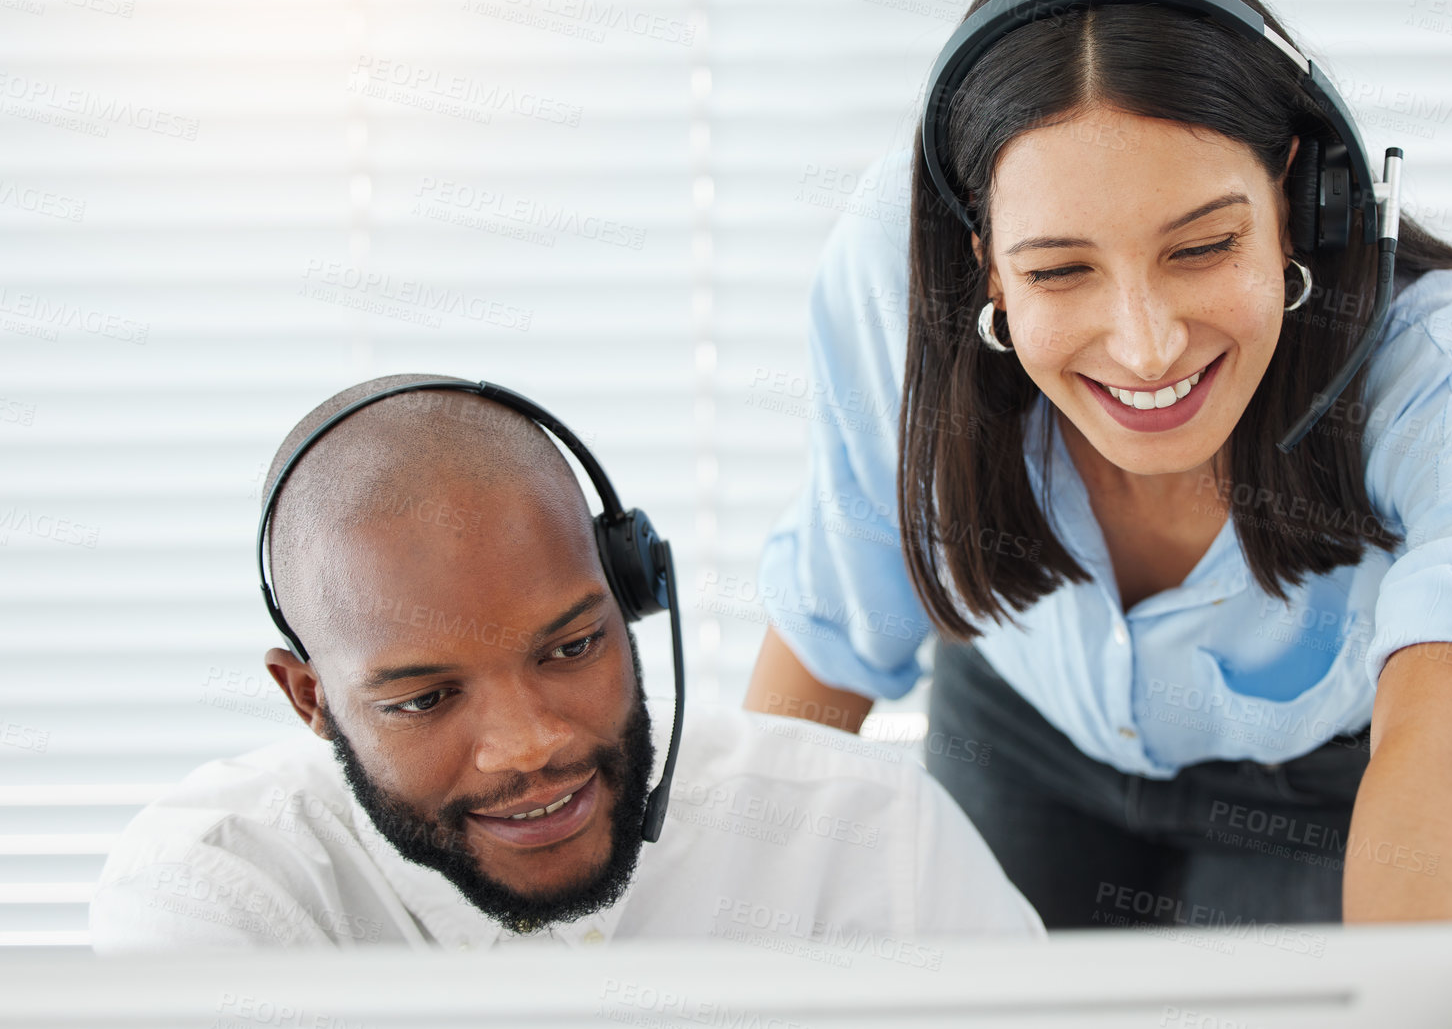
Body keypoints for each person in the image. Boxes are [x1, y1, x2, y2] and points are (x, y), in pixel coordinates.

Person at [744, 0, 1452, 931]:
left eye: (1202, 247)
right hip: (1024, 726)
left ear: (1297, 195)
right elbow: (836, 627)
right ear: (980, 258)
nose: (1147, 349)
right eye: (1060, 272)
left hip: (1312, 781)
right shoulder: (895, 273)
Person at [90, 374, 1041, 950]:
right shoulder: (217, 885)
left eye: (572, 645)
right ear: (312, 699)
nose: (528, 745)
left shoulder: (871, 838)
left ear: (631, 596)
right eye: (424, 698)